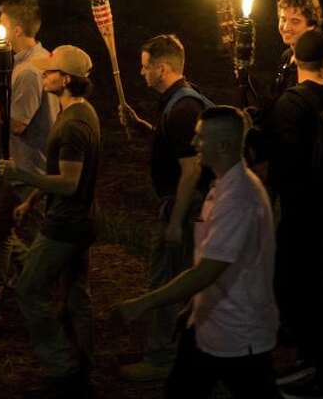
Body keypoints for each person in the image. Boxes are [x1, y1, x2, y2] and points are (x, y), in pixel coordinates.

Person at [112, 107, 280, 399]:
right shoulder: (222, 186)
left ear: (225, 145)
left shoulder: (239, 199)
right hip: (210, 324)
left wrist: (142, 303)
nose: (193, 143)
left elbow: (207, 271)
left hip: (238, 333)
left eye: (201, 137)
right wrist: (192, 308)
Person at [2, 45, 101, 396]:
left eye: (50, 72)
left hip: (65, 224)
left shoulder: (73, 124)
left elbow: (69, 183)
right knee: (76, 293)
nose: (43, 76)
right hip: (79, 220)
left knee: (29, 289)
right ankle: (83, 364)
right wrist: (32, 201)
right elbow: (59, 172)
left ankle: (61, 365)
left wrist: (23, 176)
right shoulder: (79, 111)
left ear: (68, 79)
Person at [118, 35, 215, 382]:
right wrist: (144, 128)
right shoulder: (180, 101)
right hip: (186, 206)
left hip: (184, 208)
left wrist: (175, 222)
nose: (141, 72)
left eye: (145, 66)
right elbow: (177, 149)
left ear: (162, 68)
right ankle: (187, 352)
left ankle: (162, 358)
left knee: (167, 278)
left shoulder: (183, 108)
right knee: (179, 277)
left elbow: (192, 169)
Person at [265, 29, 323, 397]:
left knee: (296, 287)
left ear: (295, 62)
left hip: (301, 210)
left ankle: (319, 366)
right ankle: (317, 356)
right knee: (312, 280)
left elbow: (283, 162)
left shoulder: (291, 104)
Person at [0, 0, 58, 309]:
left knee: (35, 235)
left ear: (17, 29)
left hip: (31, 169)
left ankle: (41, 294)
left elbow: (16, 124)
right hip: (19, 166)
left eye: (3, 23)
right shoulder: (36, 61)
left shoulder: (30, 72)